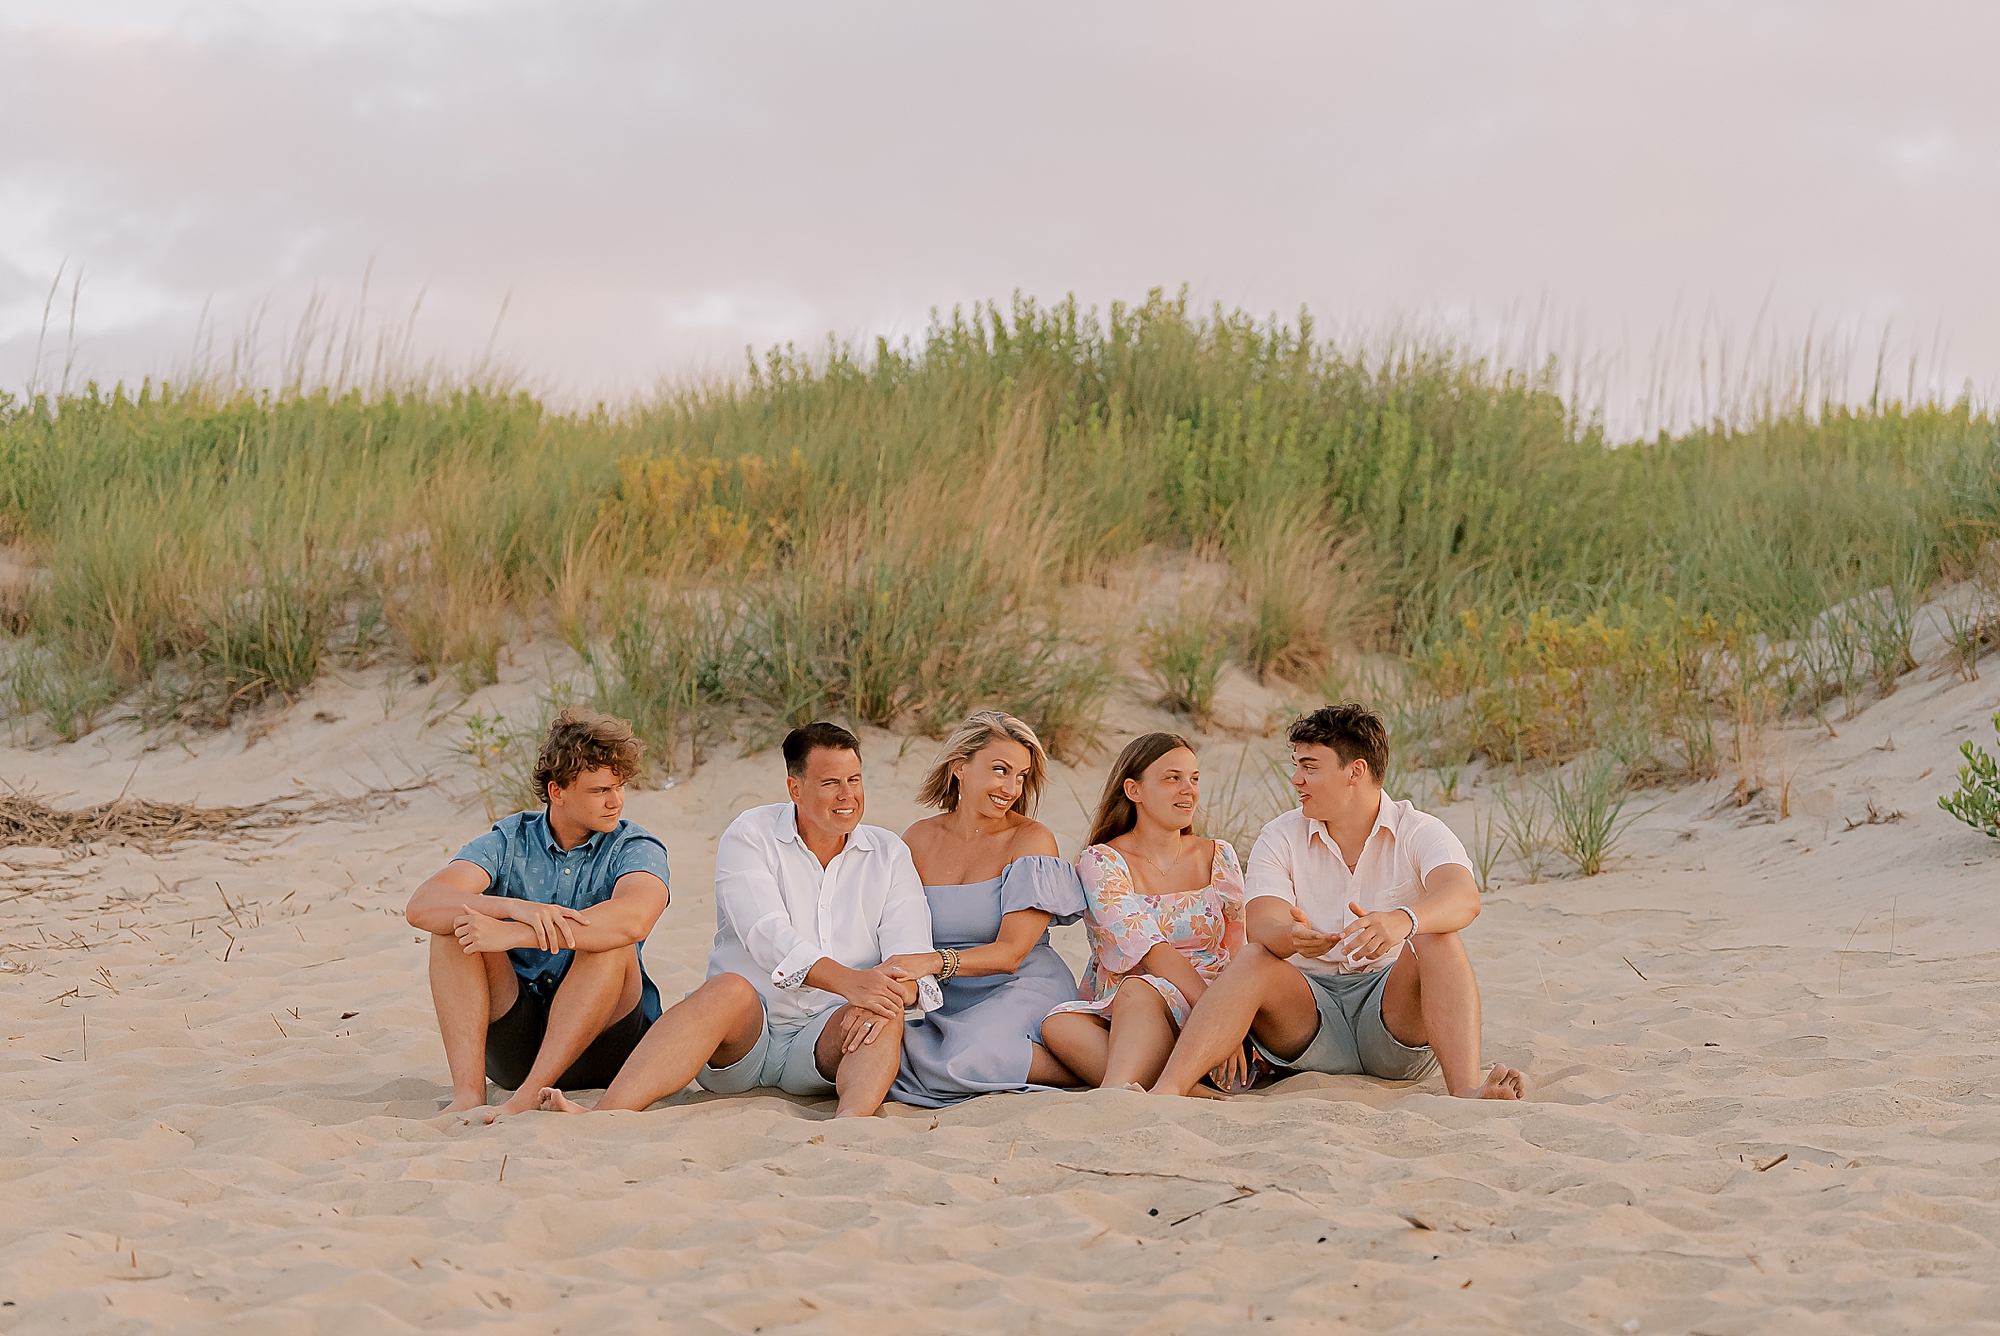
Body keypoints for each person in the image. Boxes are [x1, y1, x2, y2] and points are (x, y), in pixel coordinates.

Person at [539, 721, 931, 1119]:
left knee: (885, 1008)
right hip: (744, 1039)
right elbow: (765, 934)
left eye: (854, 779)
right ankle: (605, 1113)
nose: (848, 795)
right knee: (727, 989)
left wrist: (883, 993)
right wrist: (853, 981)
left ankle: (850, 1127)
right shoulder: (750, 834)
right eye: (831, 783)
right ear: (795, 789)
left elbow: (911, 953)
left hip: (828, 1038)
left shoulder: (889, 853)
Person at [1148, 703, 1526, 1101]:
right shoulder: (1280, 835)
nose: (1296, 779)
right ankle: (1168, 1089)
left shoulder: (1419, 829)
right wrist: (1292, 937)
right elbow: (1261, 923)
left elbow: (1464, 896)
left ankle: (1467, 1090)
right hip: (1308, 1021)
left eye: (1309, 767)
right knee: (1255, 957)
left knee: (1437, 938)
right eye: (1296, 766)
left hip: (1393, 1023)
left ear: (1355, 771)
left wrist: (1403, 921)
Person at [404, 708, 671, 1120]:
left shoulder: (635, 845)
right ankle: (468, 1094)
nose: (615, 801)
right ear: (558, 790)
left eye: (619, 787)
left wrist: (516, 933)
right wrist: (512, 909)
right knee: (456, 926)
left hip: (607, 1045)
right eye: (600, 790)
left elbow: (634, 920)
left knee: (609, 943)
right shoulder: (509, 839)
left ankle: (527, 1098)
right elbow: (423, 905)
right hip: (518, 1043)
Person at [885, 710, 1088, 1107]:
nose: (1011, 787)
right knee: (884, 1044)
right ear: (960, 766)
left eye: (1021, 775)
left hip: (1019, 986)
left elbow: (1011, 954)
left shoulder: (1030, 841)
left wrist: (929, 962)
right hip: (945, 994)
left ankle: (1094, 1066)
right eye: (1000, 770)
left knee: (967, 1055)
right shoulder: (918, 838)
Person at [1040, 732, 1250, 1092]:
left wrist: (1226, 1019)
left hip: (1208, 996)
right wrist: (1211, 1012)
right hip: (1135, 1005)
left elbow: (1237, 945)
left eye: (1194, 779)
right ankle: (1184, 1087)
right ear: (1134, 790)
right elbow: (1149, 952)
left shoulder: (1218, 855)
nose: (1189, 790)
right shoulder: (1103, 861)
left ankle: (1120, 1092)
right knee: (1060, 1026)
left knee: (1139, 991)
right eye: (1173, 778)